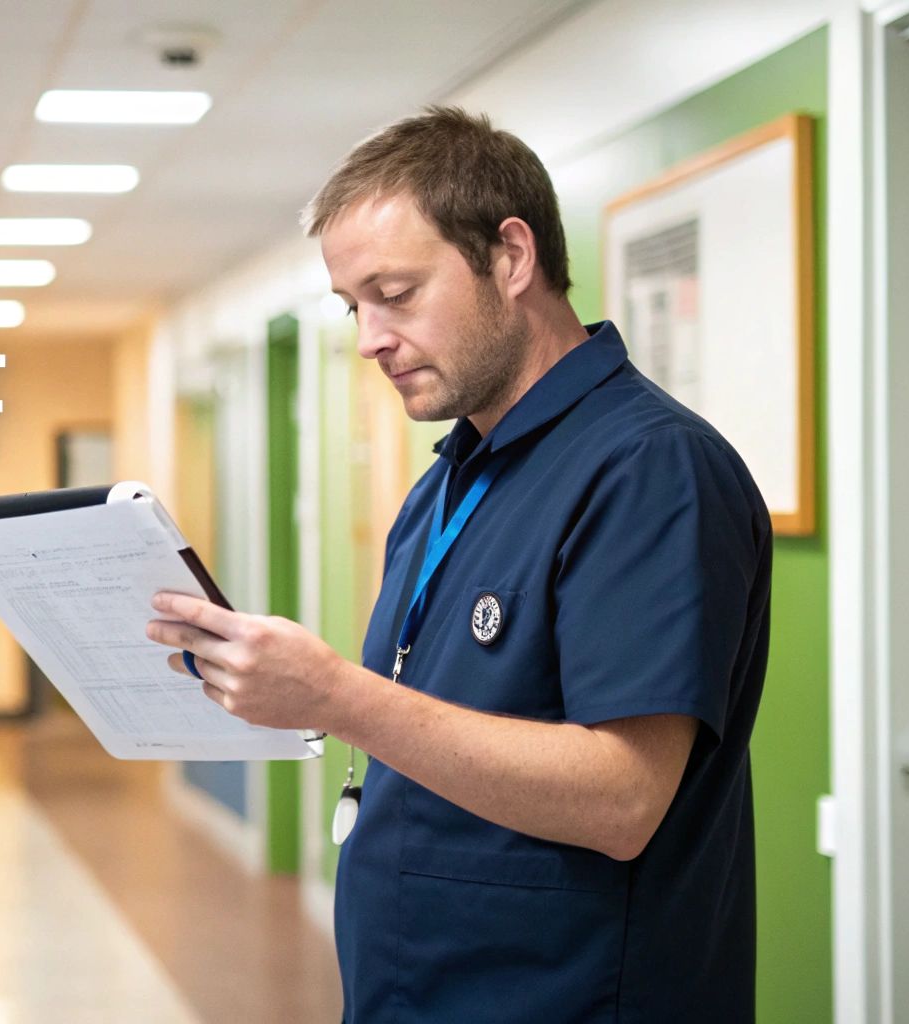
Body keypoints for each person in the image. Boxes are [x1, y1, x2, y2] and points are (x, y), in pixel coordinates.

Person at [147, 107, 770, 1021]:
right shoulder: (450, 481)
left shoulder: (647, 468)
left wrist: (334, 696)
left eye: (394, 294)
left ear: (511, 257)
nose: (368, 338)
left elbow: (623, 799)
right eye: (352, 306)